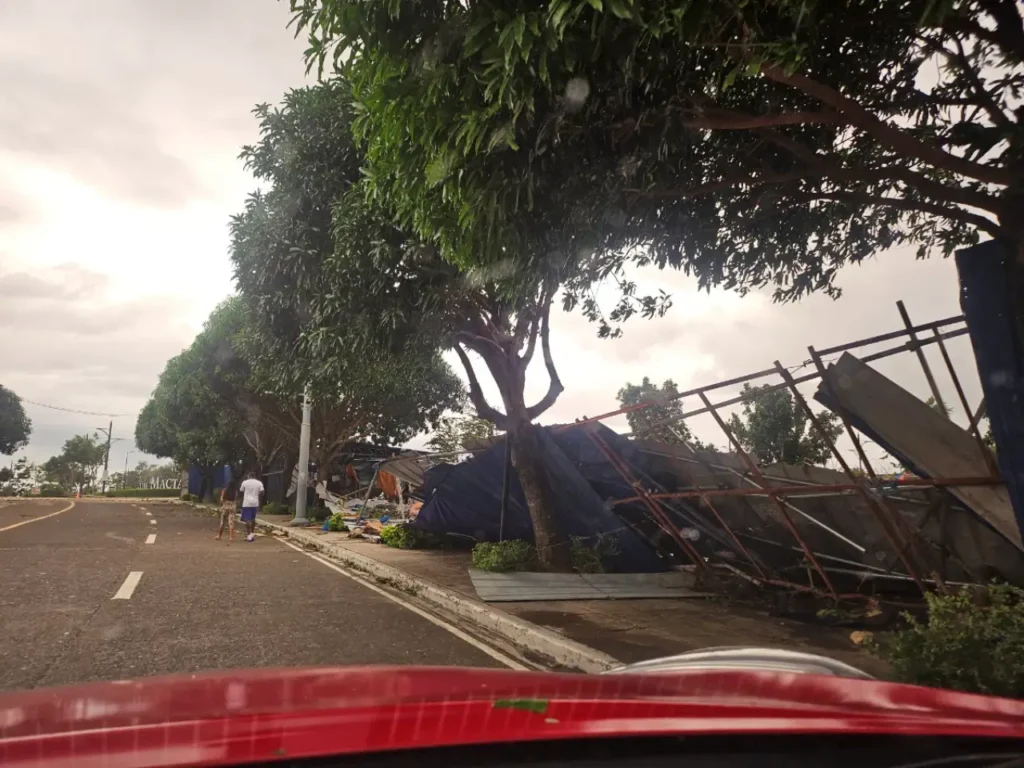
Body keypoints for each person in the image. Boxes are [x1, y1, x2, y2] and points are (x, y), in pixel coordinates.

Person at [238, 471, 264, 543]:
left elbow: (241, 490)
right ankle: (252, 534)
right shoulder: (259, 483)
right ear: (255, 476)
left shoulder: (245, 482)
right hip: (255, 503)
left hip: (246, 503)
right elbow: (262, 492)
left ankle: (249, 535)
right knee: (253, 518)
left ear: (249, 476)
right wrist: (257, 494)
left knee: (247, 519)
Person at [214, 478, 240, 542]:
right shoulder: (235, 492)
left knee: (222, 522)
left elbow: (221, 500)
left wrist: (224, 503)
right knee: (231, 523)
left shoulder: (224, 490)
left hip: (225, 507)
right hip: (232, 508)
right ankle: (231, 537)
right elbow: (235, 500)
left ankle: (219, 536)